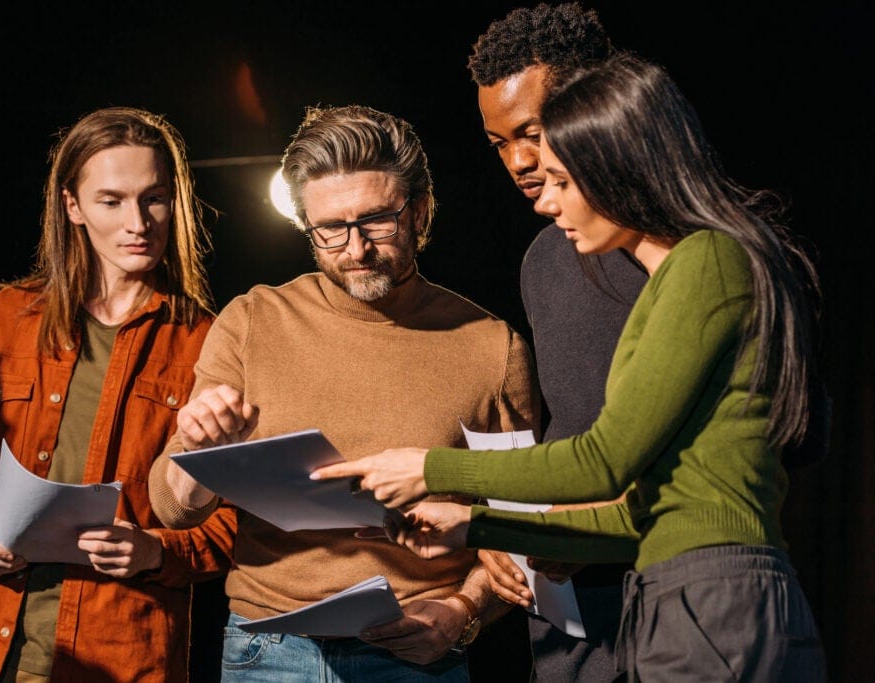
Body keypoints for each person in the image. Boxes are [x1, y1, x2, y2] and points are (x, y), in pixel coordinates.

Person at [313, 53, 827, 682]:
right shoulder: (666, 279)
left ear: (615, 169)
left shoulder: (708, 261)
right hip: (679, 596)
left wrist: (427, 468)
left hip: (715, 598)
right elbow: (637, 515)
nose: (542, 199)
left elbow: (602, 460)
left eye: (561, 177)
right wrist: (475, 526)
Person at [147, 103, 536, 681]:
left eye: (377, 220)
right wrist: (199, 450)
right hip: (266, 651)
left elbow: (525, 522)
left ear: (421, 210)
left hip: (416, 654)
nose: (355, 250)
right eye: (329, 229)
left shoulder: (490, 346)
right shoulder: (253, 319)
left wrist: (462, 611)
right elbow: (172, 508)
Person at [0, 106, 237, 682]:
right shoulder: (4, 318)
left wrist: (157, 552)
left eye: (155, 198)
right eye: (111, 201)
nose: (138, 222)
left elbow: (238, 518)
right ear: (73, 207)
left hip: (125, 656)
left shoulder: (211, 341)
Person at [466, 4, 645, 681]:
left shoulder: (693, 246)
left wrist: (597, 519)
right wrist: (502, 532)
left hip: (682, 584)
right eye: (497, 143)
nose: (516, 160)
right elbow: (569, 431)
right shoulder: (543, 258)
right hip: (573, 619)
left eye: (531, 131)